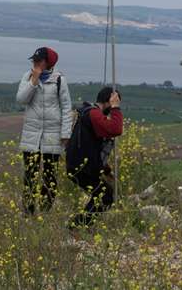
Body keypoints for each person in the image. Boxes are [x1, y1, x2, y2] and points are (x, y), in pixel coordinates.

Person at [16, 47, 73, 214]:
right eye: (34, 60)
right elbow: (21, 99)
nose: (35, 63)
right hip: (32, 135)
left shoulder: (59, 80)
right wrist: (33, 81)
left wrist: (65, 134)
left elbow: (66, 107)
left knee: (50, 176)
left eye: (38, 61)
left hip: (52, 135)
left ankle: (45, 211)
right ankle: (28, 211)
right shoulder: (28, 77)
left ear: (48, 62)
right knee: (30, 175)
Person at [65, 87, 123, 228]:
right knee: (105, 195)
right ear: (109, 101)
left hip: (80, 166)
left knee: (103, 194)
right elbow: (115, 129)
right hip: (81, 168)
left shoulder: (89, 113)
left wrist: (106, 170)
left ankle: (79, 225)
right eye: (115, 102)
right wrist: (116, 109)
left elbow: (91, 148)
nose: (114, 107)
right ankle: (76, 226)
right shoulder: (93, 114)